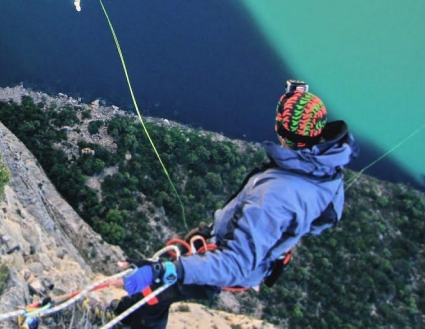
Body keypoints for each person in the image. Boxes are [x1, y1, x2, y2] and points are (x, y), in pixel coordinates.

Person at [110, 80, 358, 328]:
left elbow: (235, 264)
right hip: (252, 251)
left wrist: (163, 271)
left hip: (233, 263)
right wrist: (281, 236)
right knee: (151, 291)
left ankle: (127, 322)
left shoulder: (274, 196)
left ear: (278, 128)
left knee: (150, 294)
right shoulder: (324, 166)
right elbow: (325, 218)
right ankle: (129, 313)